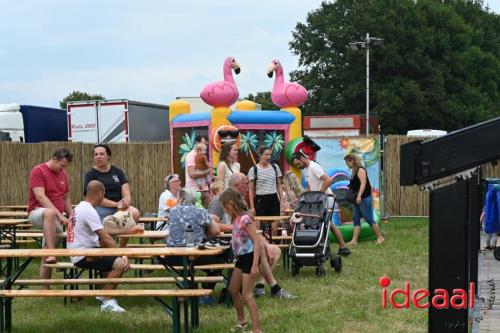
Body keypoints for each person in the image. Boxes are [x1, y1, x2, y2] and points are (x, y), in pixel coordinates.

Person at [67, 180, 134, 312]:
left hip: (80, 251)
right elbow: (106, 237)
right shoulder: (88, 210)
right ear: (100, 193)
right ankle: (107, 302)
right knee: (120, 264)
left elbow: (104, 232)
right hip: (83, 254)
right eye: (103, 195)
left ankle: (104, 293)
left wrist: (128, 231)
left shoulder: (81, 207)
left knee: (112, 258)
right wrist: (122, 254)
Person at [229, 173, 296, 299]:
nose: (249, 186)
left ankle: (261, 285)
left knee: (274, 250)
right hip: (235, 242)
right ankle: (272, 288)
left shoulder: (240, 201)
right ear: (237, 186)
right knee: (260, 247)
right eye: (246, 183)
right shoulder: (224, 200)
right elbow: (217, 224)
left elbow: (249, 221)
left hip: (244, 239)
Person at [163, 187, 224, 304]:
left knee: (189, 263)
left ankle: (190, 287)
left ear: (181, 198)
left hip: (171, 257)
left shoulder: (173, 211)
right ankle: (207, 287)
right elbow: (216, 231)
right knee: (221, 261)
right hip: (194, 256)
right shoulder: (200, 211)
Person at [292, 152, 351, 256]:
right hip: (318, 201)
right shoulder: (307, 170)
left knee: (328, 224)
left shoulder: (314, 167)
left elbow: (328, 180)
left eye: (298, 163)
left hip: (326, 200)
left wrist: (320, 194)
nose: (298, 166)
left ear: (302, 158)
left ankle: (343, 247)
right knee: (322, 223)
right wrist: (302, 198)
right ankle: (320, 245)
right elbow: (310, 187)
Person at [28, 147, 74, 283]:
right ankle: (52, 253)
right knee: (49, 213)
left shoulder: (64, 175)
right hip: (37, 213)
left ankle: (44, 289)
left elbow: (66, 199)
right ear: (54, 159)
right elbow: (40, 197)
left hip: (55, 221)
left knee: (46, 252)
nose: (63, 169)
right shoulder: (38, 171)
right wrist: (60, 216)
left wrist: (72, 217)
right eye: (62, 166)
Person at [219, 187, 261, 333]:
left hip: (249, 258)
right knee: (233, 289)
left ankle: (257, 330)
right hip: (241, 258)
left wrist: (255, 265)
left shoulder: (245, 219)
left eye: (224, 206)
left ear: (231, 204)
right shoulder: (235, 220)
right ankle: (242, 321)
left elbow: (257, 241)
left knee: (247, 295)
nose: (224, 209)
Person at [83, 144, 140, 222]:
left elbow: (126, 191)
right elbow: (93, 198)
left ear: (108, 156)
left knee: (135, 213)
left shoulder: (117, 171)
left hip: (120, 208)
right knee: (105, 220)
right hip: (101, 207)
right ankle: (111, 230)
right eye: (96, 154)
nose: (98, 156)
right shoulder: (90, 175)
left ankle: (115, 230)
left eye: (102, 154)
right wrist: (116, 204)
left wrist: (126, 201)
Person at [343, 153, 384, 245]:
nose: (347, 165)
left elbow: (363, 183)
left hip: (364, 198)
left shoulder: (360, 170)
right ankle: (354, 240)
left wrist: (359, 196)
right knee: (356, 218)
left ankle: (380, 237)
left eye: (347, 162)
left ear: (352, 161)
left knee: (369, 218)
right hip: (357, 199)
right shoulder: (354, 171)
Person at [248, 145, 284, 236]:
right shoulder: (253, 169)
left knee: (274, 228)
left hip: (274, 199)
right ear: (260, 155)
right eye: (266, 154)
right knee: (259, 229)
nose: (268, 157)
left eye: (270, 155)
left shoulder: (275, 167)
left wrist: (282, 201)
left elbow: (279, 186)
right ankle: (261, 248)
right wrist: (252, 207)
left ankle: (274, 247)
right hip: (261, 199)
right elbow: (250, 190)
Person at [185, 136, 211, 208]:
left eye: (206, 144)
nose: (204, 146)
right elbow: (192, 174)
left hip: (204, 190)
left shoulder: (202, 155)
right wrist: (207, 171)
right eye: (203, 144)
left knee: (209, 215)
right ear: (197, 143)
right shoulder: (191, 155)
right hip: (194, 192)